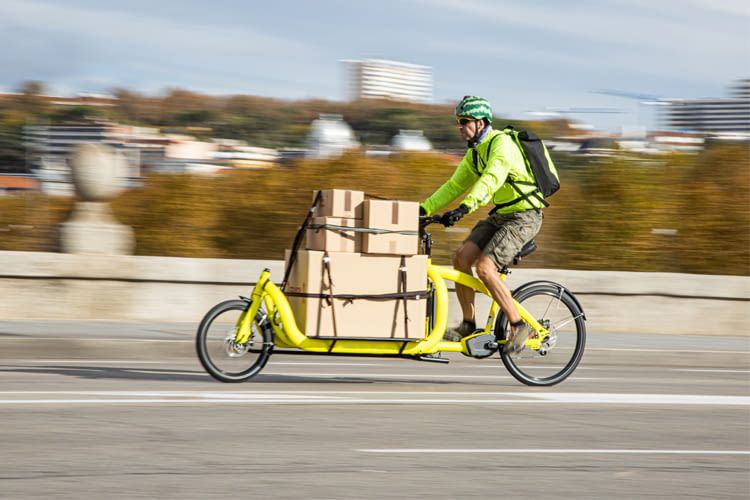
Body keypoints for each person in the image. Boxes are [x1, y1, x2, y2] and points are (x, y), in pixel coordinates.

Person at [420, 96, 545, 353]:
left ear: (480, 122)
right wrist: (424, 209)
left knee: (485, 268)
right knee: (461, 259)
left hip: (525, 216)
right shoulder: (475, 153)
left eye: (464, 121)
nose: (460, 127)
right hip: (502, 215)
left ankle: (519, 324)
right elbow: (454, 185)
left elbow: (491, 179)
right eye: (458, 122)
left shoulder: (502, 144)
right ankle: (468, 323)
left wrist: (465, 208)